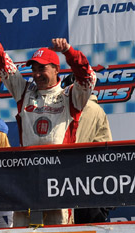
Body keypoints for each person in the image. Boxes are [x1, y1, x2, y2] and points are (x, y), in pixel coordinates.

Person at [0, 9, 97, 226]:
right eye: (34, 69)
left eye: (43, 69)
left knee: (59, 228)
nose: (37, 74)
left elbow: (87, 76)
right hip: (28, 177)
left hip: (60, 178)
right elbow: (4, 65)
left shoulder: (70, 96)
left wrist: (69, 51)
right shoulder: (25, 92)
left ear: (56, 69)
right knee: (23, 227)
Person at [61, 74, 113, 223]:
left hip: (73, 184)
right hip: (90, 185)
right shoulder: (94, 109)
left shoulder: (81, 108)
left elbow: (72, 145)